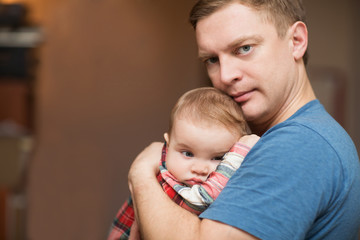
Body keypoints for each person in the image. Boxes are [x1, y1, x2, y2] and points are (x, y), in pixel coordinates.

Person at [123, 0, 360, 239]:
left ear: (296, 41)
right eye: (211, 60)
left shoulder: (299, 143)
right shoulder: (272, 139)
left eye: (244, 48)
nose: (225, 76)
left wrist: (141, 173)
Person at [108, 87, 258, 240]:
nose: (199, 169)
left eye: (218, 157)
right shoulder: (165, 180)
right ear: (168, 145)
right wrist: (240, 153)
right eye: (188, 154)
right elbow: (199, 202)